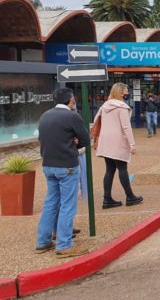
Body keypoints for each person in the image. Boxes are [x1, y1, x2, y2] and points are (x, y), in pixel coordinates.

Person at [36, 87, 90, 258]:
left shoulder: (45, 115)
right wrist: (75, 142)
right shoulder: (72, 116)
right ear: (71, 99)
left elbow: (42, 139)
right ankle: (64, 244)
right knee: (68, 204)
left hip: (48, 165)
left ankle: (43, 241)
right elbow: (86, 140)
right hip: (67, 165)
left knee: (51, 202)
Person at [93, 82, 143, 209]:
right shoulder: (121, 107)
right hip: (118, 140)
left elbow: (96, 121)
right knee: (122, 168)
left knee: (109, 170)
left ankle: (107, 199)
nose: (127, 92)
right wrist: (132, 143)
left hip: (105, 141)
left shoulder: (105, 105)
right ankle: (130, 196)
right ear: (121, 92)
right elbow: (126, 127)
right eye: (126, 90)